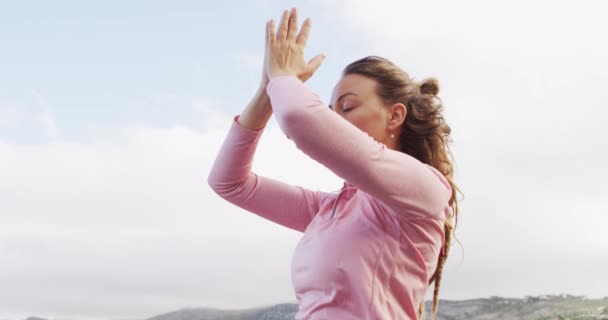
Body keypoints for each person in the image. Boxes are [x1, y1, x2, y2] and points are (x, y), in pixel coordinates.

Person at [207, 7, 461, 320]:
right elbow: (229, 182)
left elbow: (301, 118)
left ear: (395, 115)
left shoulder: (424, 187)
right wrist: (266, 89)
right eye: (330, 109)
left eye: (348, 106)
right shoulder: (330, 211)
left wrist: (283, 78)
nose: (333, 119)